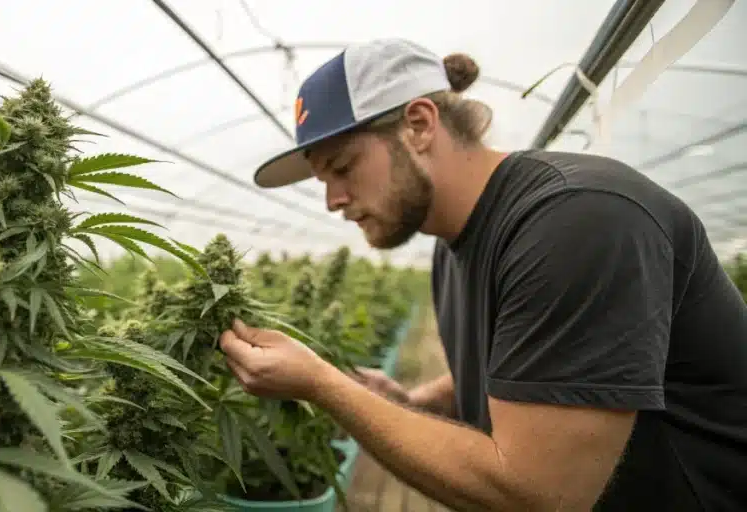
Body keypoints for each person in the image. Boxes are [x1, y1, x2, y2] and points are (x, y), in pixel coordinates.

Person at [218, 38, 747, 511]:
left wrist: (323, 384)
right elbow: (533, 364)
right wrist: (414, 402)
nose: (333, 200)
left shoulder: (575, 218)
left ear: (420, 125)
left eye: (343, 167)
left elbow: (538, 495)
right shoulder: (453, 248)